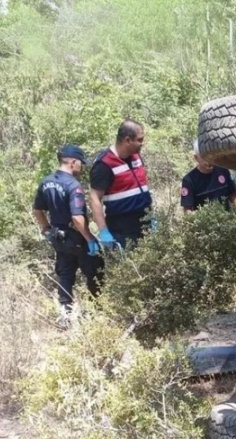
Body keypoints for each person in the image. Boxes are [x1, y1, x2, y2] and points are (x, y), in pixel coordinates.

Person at [181, 141, 236, 315]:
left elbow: (233, 196)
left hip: (228, 228)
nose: (208, 162)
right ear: (195, 158)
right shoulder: (189, 180)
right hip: (207, 232)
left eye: (210, 157)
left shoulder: (222, 171)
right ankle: (214, 306)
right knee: (210, 270)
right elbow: (188, 211)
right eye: (203, 158)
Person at [32, 144, 103, 327]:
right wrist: (90, 238)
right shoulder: (73, 185)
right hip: (76, 236)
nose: (82, 167)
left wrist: (46, 229)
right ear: (73, 162)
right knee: (95, 271)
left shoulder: (46, 182)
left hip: (58, 238)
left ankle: (66, 314)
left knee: (65, 274)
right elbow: (77, 218)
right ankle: (97, 312)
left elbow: (37, 209)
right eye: (80, 163)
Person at [89, 119, 152, 249]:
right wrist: (103, 231)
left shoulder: (136, 157)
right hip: (122, 228)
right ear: (127, 140)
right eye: (140, 140)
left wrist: (152, 216)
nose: (143, 143)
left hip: (145, 222)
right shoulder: (104, 164)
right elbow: (94, 198)